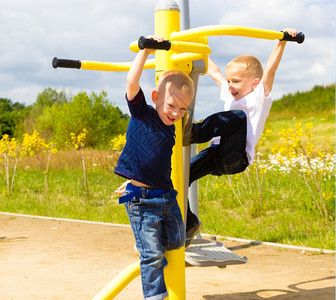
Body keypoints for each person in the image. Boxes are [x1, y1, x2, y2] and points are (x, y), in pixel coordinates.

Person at [185, 28, 299, 246]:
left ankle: (195, 133)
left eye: (236, 81)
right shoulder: (229, 94)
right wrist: (199, 51)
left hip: (236, 156)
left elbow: (271, 70)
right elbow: (215, 72)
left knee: (236, 117)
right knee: (180, 177)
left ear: (254, 84)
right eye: (229, 81)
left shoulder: (259, 96)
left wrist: (282, 41)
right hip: (215, 155)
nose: (230, 86)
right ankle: (189, 223)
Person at [114, 35, 195, 300]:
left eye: (182, 109)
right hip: (141, 201)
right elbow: (131, 82)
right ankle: (155, 296)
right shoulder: (143, 114)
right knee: (152, 258)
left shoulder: (172, 127)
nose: (176, 113)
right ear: (156, 97)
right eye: (172, 106)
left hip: (166, 195)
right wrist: (146, 50)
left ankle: (145, 243)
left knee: (176, 242)